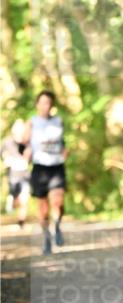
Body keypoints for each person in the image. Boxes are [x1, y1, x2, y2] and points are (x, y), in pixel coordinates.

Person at [23, 90, 68, 255]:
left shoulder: (58, 121)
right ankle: (46, 237)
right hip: (39, 167)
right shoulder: (32, 122)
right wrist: (26, 151)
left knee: (58, 202)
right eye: (42, 102)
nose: (46, 106)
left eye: (48, 103)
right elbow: (24, 142)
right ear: (37, 105)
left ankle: (57, 225)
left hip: (56, 166)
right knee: (42, 207)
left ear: (52, 105)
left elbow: (63, 141)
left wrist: (64, 150)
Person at [1, 119, 31, 228]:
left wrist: (27, 158)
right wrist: (6, 160)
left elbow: (30, 156)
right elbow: (2, 155)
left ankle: (21, 222)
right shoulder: (7, 142)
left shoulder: (27, 143)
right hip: (13, 176)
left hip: (25, 175)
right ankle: (12, 199)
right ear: (13, 130)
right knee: (16, 200)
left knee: (24, 198)